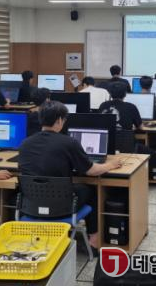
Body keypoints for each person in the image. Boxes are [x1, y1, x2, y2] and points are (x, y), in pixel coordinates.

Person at [18, 101, 123, 248]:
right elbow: (91, 171)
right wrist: (110, 165)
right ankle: (94, 239)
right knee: (93, 191)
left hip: (31, 206)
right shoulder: (69, 143)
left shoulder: (24, 143)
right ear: (59, 120)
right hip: (62, 206)